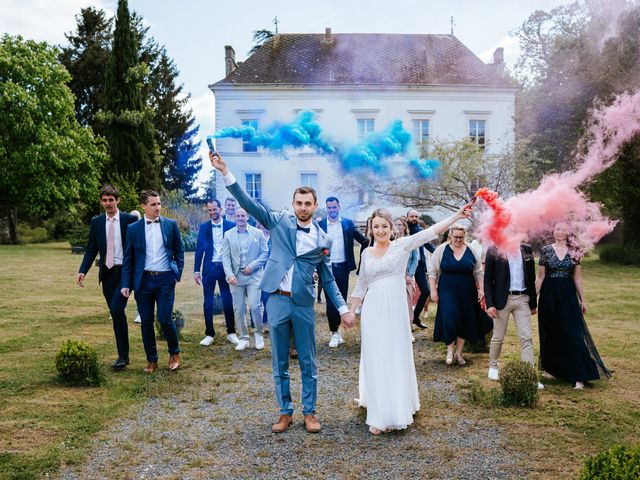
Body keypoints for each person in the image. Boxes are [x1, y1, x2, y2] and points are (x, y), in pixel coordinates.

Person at [209, 150, 355, 434]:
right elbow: (249, 205)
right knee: (279, 361)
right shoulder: (279, 221)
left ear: (315, 207)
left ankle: (310, 412)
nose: (302, 207)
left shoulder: (322, 239)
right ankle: (285, 411)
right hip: (276, 300)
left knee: (308, 360)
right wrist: (226, 172)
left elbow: (328, 278)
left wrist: (343, 308)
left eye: (307, 203)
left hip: (302, 304)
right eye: (298, 203)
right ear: (293, 204)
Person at [348, 206, 470, 435]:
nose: (381, 230)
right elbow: (361, 285)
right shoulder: (366, 253)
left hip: (394, 309)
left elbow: (431, 232)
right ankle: (378, 408)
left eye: (384, 226)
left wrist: (456, 217)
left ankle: (397, 407)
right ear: (371, 230)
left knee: (394, 353)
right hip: (373, 310)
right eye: (376, 227)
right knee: (376, 355)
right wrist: (350, 311)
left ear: (392, 228)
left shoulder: (402, 246)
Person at [536, 223, 612, 389]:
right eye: (557, 229)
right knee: (551, 330)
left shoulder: (575, 250)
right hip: (549, 294)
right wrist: (533, 298)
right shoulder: (546, 250)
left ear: (568, 232)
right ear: (553, 231)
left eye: (564, 229)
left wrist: (583, 299)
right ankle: (553, 368)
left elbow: (577, 278)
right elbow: (541, 277)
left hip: (568, 294)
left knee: (573, 333)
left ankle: (579, 375)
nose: (561, 232)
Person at [120, 190, 184, 373]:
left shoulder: (171, 225)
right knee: (146, 321)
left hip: (165, 280)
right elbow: (128, 259)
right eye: (153, 204)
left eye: (159, 203)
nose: (158, 207)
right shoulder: (133, 229)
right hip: (143, 281)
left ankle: (174, 353)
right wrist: (126, 284)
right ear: (143, 206)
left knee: (164, 318)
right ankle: (152, 360)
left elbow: (179, 252)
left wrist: (177, 273)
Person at [76, 185, 139, 370]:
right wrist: (82, 270)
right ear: (101, 202)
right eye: (104, 200)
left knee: (117, 309)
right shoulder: (96, 222)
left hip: (124, 273)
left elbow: (138, 248)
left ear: (117, 200)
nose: (108, 203)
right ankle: (124, 355)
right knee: (116, 313)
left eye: (111, 200)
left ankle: (122, 355)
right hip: (107, 274)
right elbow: (91, 249)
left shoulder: (129, 220)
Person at [429, 225, 493, 366]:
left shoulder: (471, 249)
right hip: (447, 289)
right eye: (455, 237)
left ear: (464, 237)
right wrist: (433, 290)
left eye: (461, 237)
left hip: (467, 290)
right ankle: (450, 350)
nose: (458, 239)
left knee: (464, 319)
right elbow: (432, 271)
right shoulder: (442, 250)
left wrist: (481, 289)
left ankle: (459, 352)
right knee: (450, 317)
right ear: (450, 236)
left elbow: (478, 272)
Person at [484, 243, 544, 389]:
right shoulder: (494, 249)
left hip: (522, 299)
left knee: (526, 337)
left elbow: (530, 277)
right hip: (501, 300)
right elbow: (487, 279)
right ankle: (493, 367)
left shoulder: (526, 249)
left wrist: (533, 304)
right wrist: (490, 304)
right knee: (498, 336)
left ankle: (529, 376)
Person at [318, 196, 369, 348]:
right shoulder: (320, 225)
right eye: (329, 208)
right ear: (326, 208)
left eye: (334, 207)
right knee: (330, 302)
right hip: (327, 268)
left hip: (343, 267)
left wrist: (367, 257)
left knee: (341, 301)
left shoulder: (347, 223)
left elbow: (364, 241)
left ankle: (339, 330)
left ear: (339, 207)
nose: (332, 210)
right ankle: (334, 333)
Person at [221, 208, 269, 351]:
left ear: (247, 217)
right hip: (236, 277)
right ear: (234, 218)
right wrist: (229, 275)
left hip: (253, 276)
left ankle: (259, 334)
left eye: (243, 215)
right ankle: (243, 338)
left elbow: (264, 253)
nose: (240, 218)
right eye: (238, 216)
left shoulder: (258, 233)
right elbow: (225, 257)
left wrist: (253, 266)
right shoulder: (228, 235)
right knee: (239, 308)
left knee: (255, 306)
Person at [194, 199, 236, 347]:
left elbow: (235, 249)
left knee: (227, 300)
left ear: (221, 209)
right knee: (208, 301)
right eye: (209, 210)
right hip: (209, 268)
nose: (212, 212)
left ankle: (231, 332)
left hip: (226, 269)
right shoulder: (204, 227)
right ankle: (209, 333)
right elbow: (199, 249)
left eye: (214, 209)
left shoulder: (231, 225)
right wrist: (196, 270)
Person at [407, 210, 435, 329]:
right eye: (412, 216)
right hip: (405, 266)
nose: (414, 218)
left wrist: (439, 252)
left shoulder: (421, 231)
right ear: (407, 217)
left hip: (419, 265)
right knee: (406, 295)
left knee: (425, 291)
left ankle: (415, 317)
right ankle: (405, 321)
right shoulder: (404, 230)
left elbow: (428, 246)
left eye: (416, 216)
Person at [129, 209, 143, 324]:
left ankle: (139, 313)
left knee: (139, 291)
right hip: (130, 266)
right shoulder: (129, 229)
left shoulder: (143, 228)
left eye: (136, 217)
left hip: (140, 267)